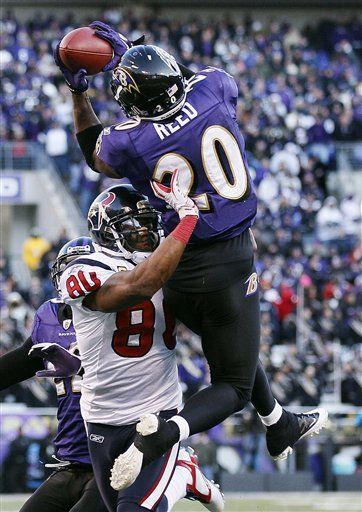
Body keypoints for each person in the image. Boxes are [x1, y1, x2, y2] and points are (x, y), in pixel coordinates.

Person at [54, 23, 328, 489]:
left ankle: (278, 421)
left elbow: (92, 151)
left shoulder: (130, 140)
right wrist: (136, 53)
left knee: (233, 347)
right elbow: (184, 82)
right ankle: (165, 434)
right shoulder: (215, 86)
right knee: (234, 384)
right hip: (230, 257)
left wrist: (81, 93)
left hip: (175, 264)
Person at [59, 183, 224, 512]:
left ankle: (178, 473)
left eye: (150, 224)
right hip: (101, 417)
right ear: (106, 232)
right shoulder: (85, 267)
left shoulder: (168, 260)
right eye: (135, 226)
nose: (147, 233)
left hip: (155, 411)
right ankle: (183, 476)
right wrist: (187, 220)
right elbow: (139, 286)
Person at [0, 238, 108, 512]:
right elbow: (19, 363)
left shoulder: (120, 314)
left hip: (113, 458)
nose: (75, 278)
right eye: (69, 270)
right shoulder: (50, 317)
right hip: (72, 461)